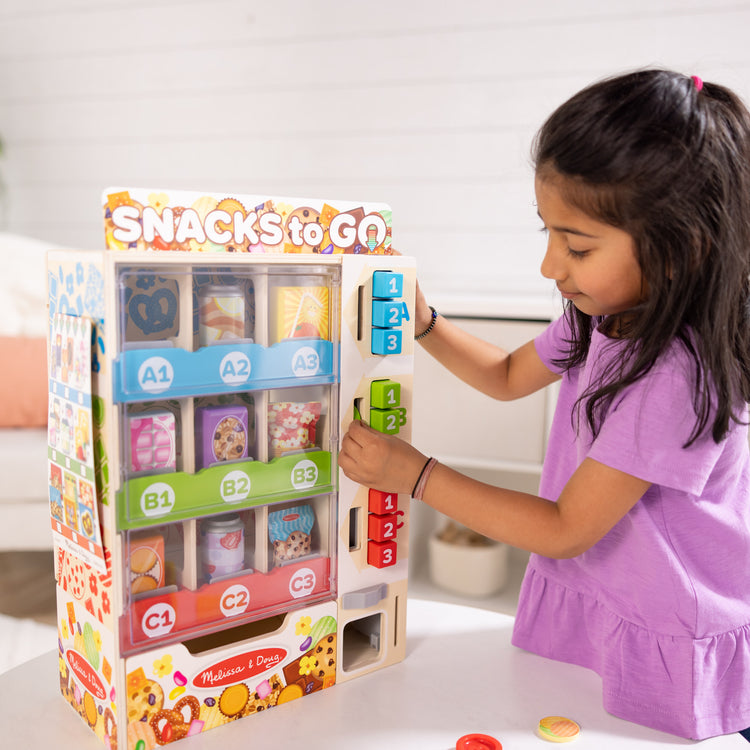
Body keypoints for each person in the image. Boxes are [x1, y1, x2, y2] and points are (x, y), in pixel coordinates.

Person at [339, 69, 750, 740]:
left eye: (578, 245)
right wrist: (424, 321)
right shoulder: (600, 315)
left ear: (682, 247)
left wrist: (414, 476)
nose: (550, 266)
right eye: (548, 234)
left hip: (668, 617)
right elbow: (505, 375)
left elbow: (565, 528)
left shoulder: (674, 375)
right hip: (608, 593)